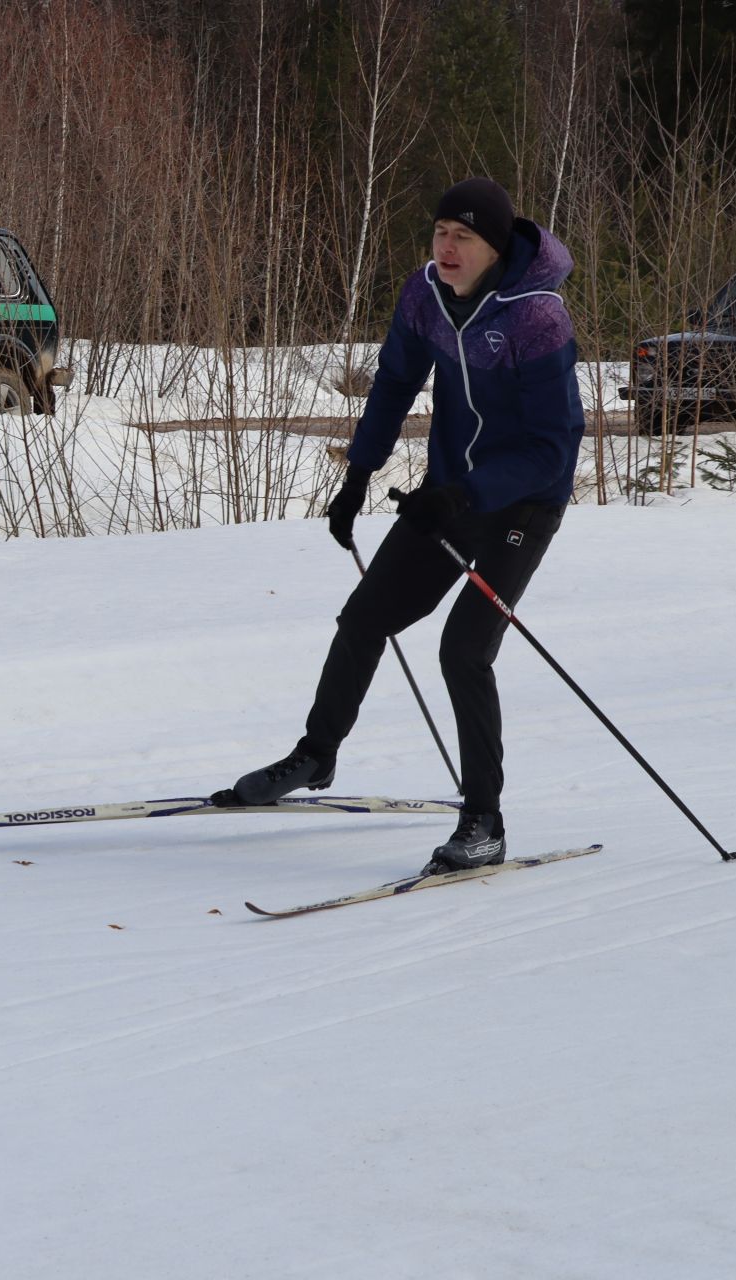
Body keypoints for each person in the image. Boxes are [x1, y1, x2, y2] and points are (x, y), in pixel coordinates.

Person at [213, 177, 585, 875]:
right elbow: (393, 383)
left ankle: (484, 821)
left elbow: (553, 449)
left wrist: (468, 494)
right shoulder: (425, 296)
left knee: (463, 650)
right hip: (448, 496)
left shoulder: (538, 319)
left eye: (463, 236)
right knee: (362, 619)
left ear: (494, 246)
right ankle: (316, 754)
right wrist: (357, 474)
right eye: (440, 231)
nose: (446, 246)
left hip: (522, 506)